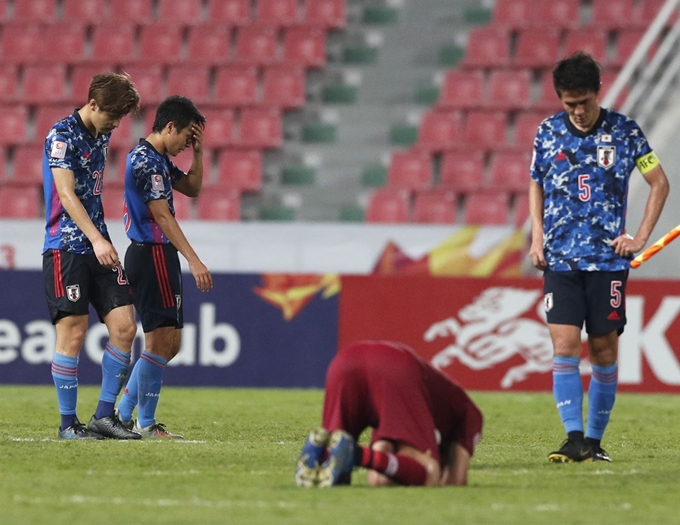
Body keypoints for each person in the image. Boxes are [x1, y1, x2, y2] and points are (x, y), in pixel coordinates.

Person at [528, 52, 669, 463]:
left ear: (598, 93)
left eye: (584, 102)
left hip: (607, 263)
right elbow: (536, 183)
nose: (578, 111)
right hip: (561, 261)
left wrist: (640, 236)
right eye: (570, 104)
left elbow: (658, 182)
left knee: (604, 350)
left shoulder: (625, 132)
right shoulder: (547, 132)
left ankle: (594, 440)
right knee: (565, 345)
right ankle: (573, 439)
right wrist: (537, 239)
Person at [42, 72, 142, 440]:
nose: (116, 124)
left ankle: (103, 416)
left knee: (125, 327)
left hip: (99, 244)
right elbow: (66, 195)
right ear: (93, 104)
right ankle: (68, 425)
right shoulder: (61, 136)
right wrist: (98, 240)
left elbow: (117, 86)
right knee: (72, 332)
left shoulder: (101, 131)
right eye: (111, 115)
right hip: (65, 247)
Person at [115, 95, 213, 439]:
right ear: (169, 126)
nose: (187, 144)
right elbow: (161, 213)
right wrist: (194, 258)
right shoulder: (145, 161)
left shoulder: (157, 159)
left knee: (171, 344)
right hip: (150, 252)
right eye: (186, 137)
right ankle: (145, 423)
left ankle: (123, 415)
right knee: (159, 343)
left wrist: (199, 156)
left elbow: (193, 187)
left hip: (159, 255)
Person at [295, 340, 483, 487]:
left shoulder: (425, 402)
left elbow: (378, 478)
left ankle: (317, 458)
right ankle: (356, 455)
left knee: (336, 451)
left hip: (344, 361)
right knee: (429, 473)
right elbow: (455, 480)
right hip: (395, 369)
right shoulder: (470, 414)